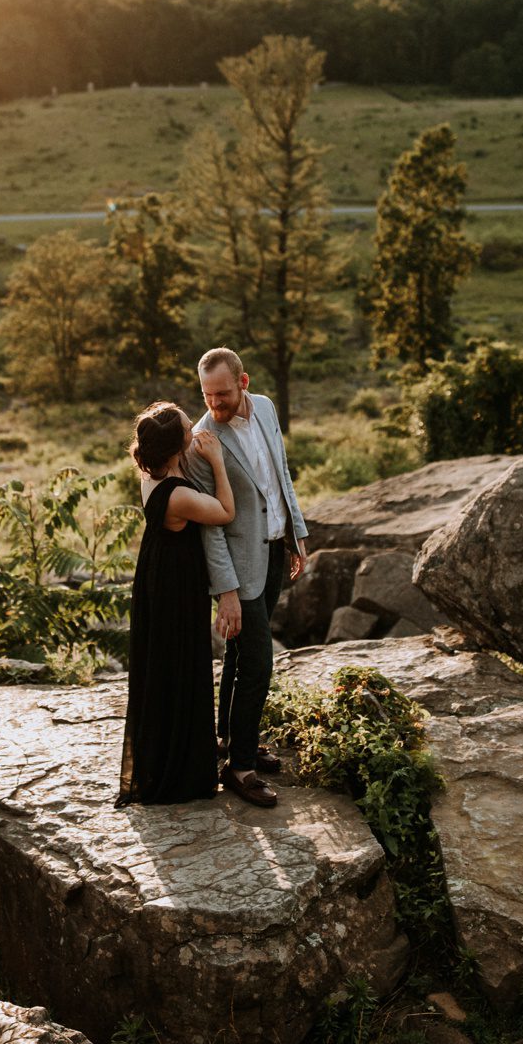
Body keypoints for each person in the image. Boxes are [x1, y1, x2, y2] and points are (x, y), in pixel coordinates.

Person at [182, 347, 309, 809]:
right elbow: (210, 527)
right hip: (238, 567)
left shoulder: (269, 409)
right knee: (259, 663)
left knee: (240, 655)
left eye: (222, 394)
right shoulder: (201, 441)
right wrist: (227, 593)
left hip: (274, 548)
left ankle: (230, 739)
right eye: (206, 395)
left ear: (244, 382)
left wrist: (296, 533)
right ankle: (240, 768)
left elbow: (281, 477)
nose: (214, 404)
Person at [115, 400, 236, 807]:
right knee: (183, 665)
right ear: (176, 445)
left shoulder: (154, 474)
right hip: (176, 585)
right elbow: (225, 512)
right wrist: (217, 461)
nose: (193, 428)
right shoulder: (177, 494)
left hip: (157, 574)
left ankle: (172, 754)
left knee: (164, 667)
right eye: (188, 427)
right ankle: (180, 771)